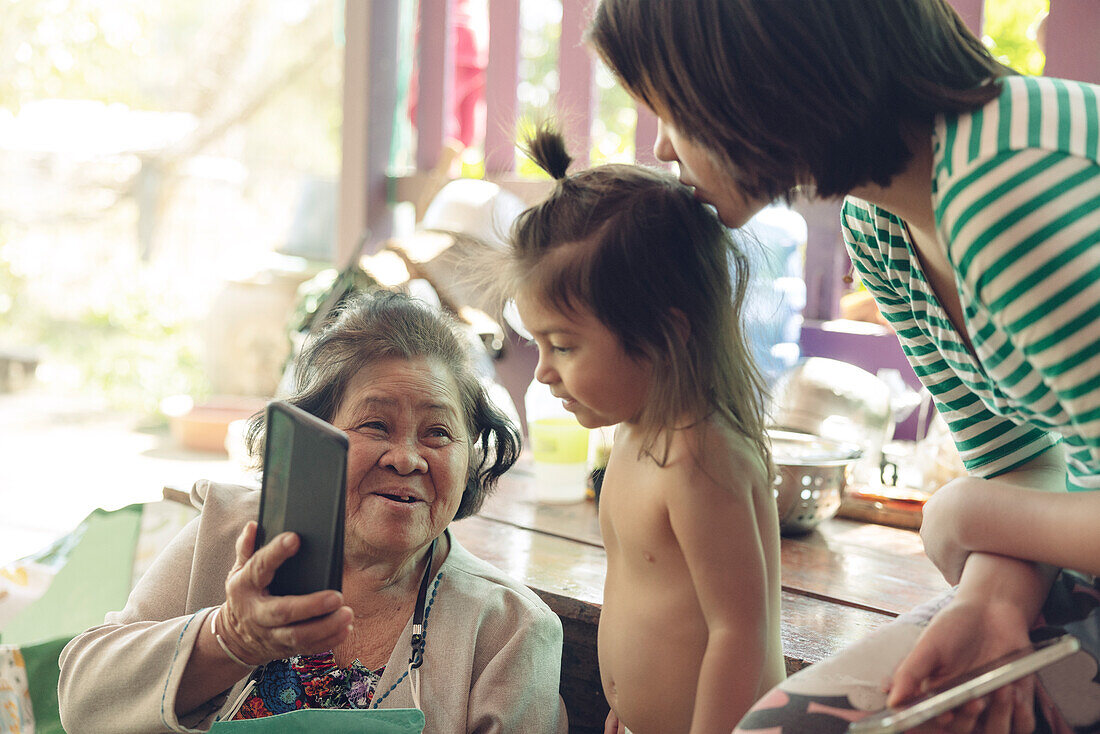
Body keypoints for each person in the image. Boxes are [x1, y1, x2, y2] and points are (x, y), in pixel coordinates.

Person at [588, 0, 1100, 730]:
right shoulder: (882, 226)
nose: (664, 149)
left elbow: (999, 498)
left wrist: (965, 513)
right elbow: (1020, 460)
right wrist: (992, 603)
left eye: (669, 109)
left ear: (751, 74)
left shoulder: (1005, 193)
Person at [57, 290, 568, 734]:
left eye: (437, 433)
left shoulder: (509, 631)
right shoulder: (232, 532)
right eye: (375, 425)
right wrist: (230, 639)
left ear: (470, 457)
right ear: (319, 436)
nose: (408, 458)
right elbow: (83, 701)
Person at [500, 125, 785, 734]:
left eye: (565, 346)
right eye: (539, 344)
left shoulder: (698, 457)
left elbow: (740, 634)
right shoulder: (633, 434)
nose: (545, 372)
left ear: (665, 332)